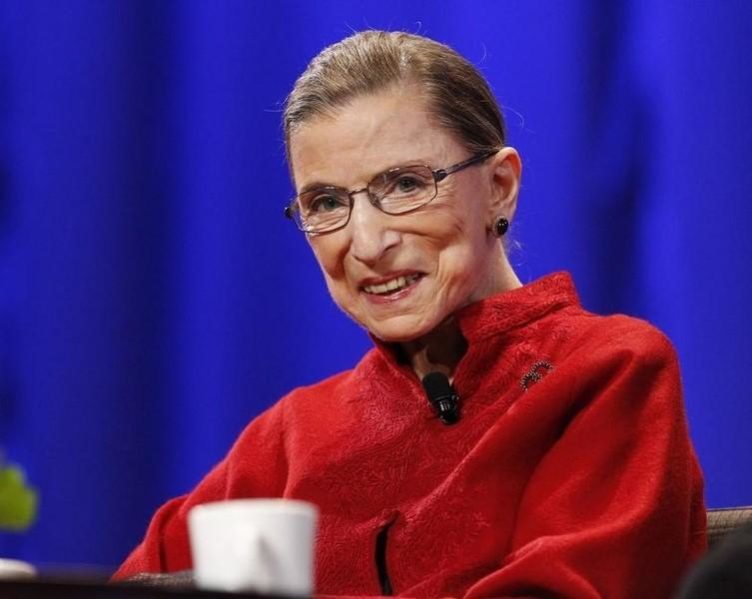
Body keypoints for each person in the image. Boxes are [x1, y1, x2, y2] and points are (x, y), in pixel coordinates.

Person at [114, 30, 706, 598]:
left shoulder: (608, 373)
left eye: (403, 185)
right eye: (325, 203)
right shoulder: (288, 440)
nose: (367, 243)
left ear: (499, 186)